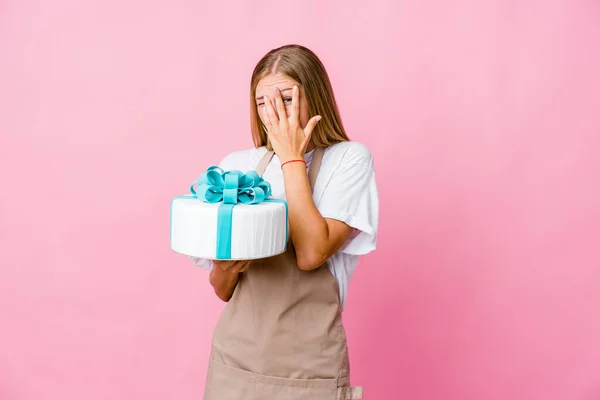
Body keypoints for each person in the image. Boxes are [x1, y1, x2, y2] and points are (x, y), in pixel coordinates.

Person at [190, 44, 379, 400]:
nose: (273, 112)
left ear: (316, 98)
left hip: (310, 369)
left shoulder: (349, 161)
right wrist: (229, 266)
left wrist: (291, 157)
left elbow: (311, 253)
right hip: (236, 362)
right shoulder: (237, 166)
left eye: (286, 99)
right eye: (263, 102)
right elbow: (222, 288)